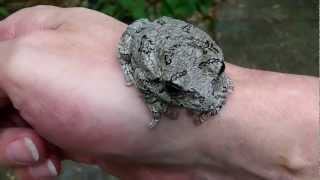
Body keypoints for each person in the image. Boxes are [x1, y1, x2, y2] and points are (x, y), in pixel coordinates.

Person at [0, 6, 318, 180]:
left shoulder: (207, 65)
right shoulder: (158, 73)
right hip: (154, 54)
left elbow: (209, 61)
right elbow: (149, 75)